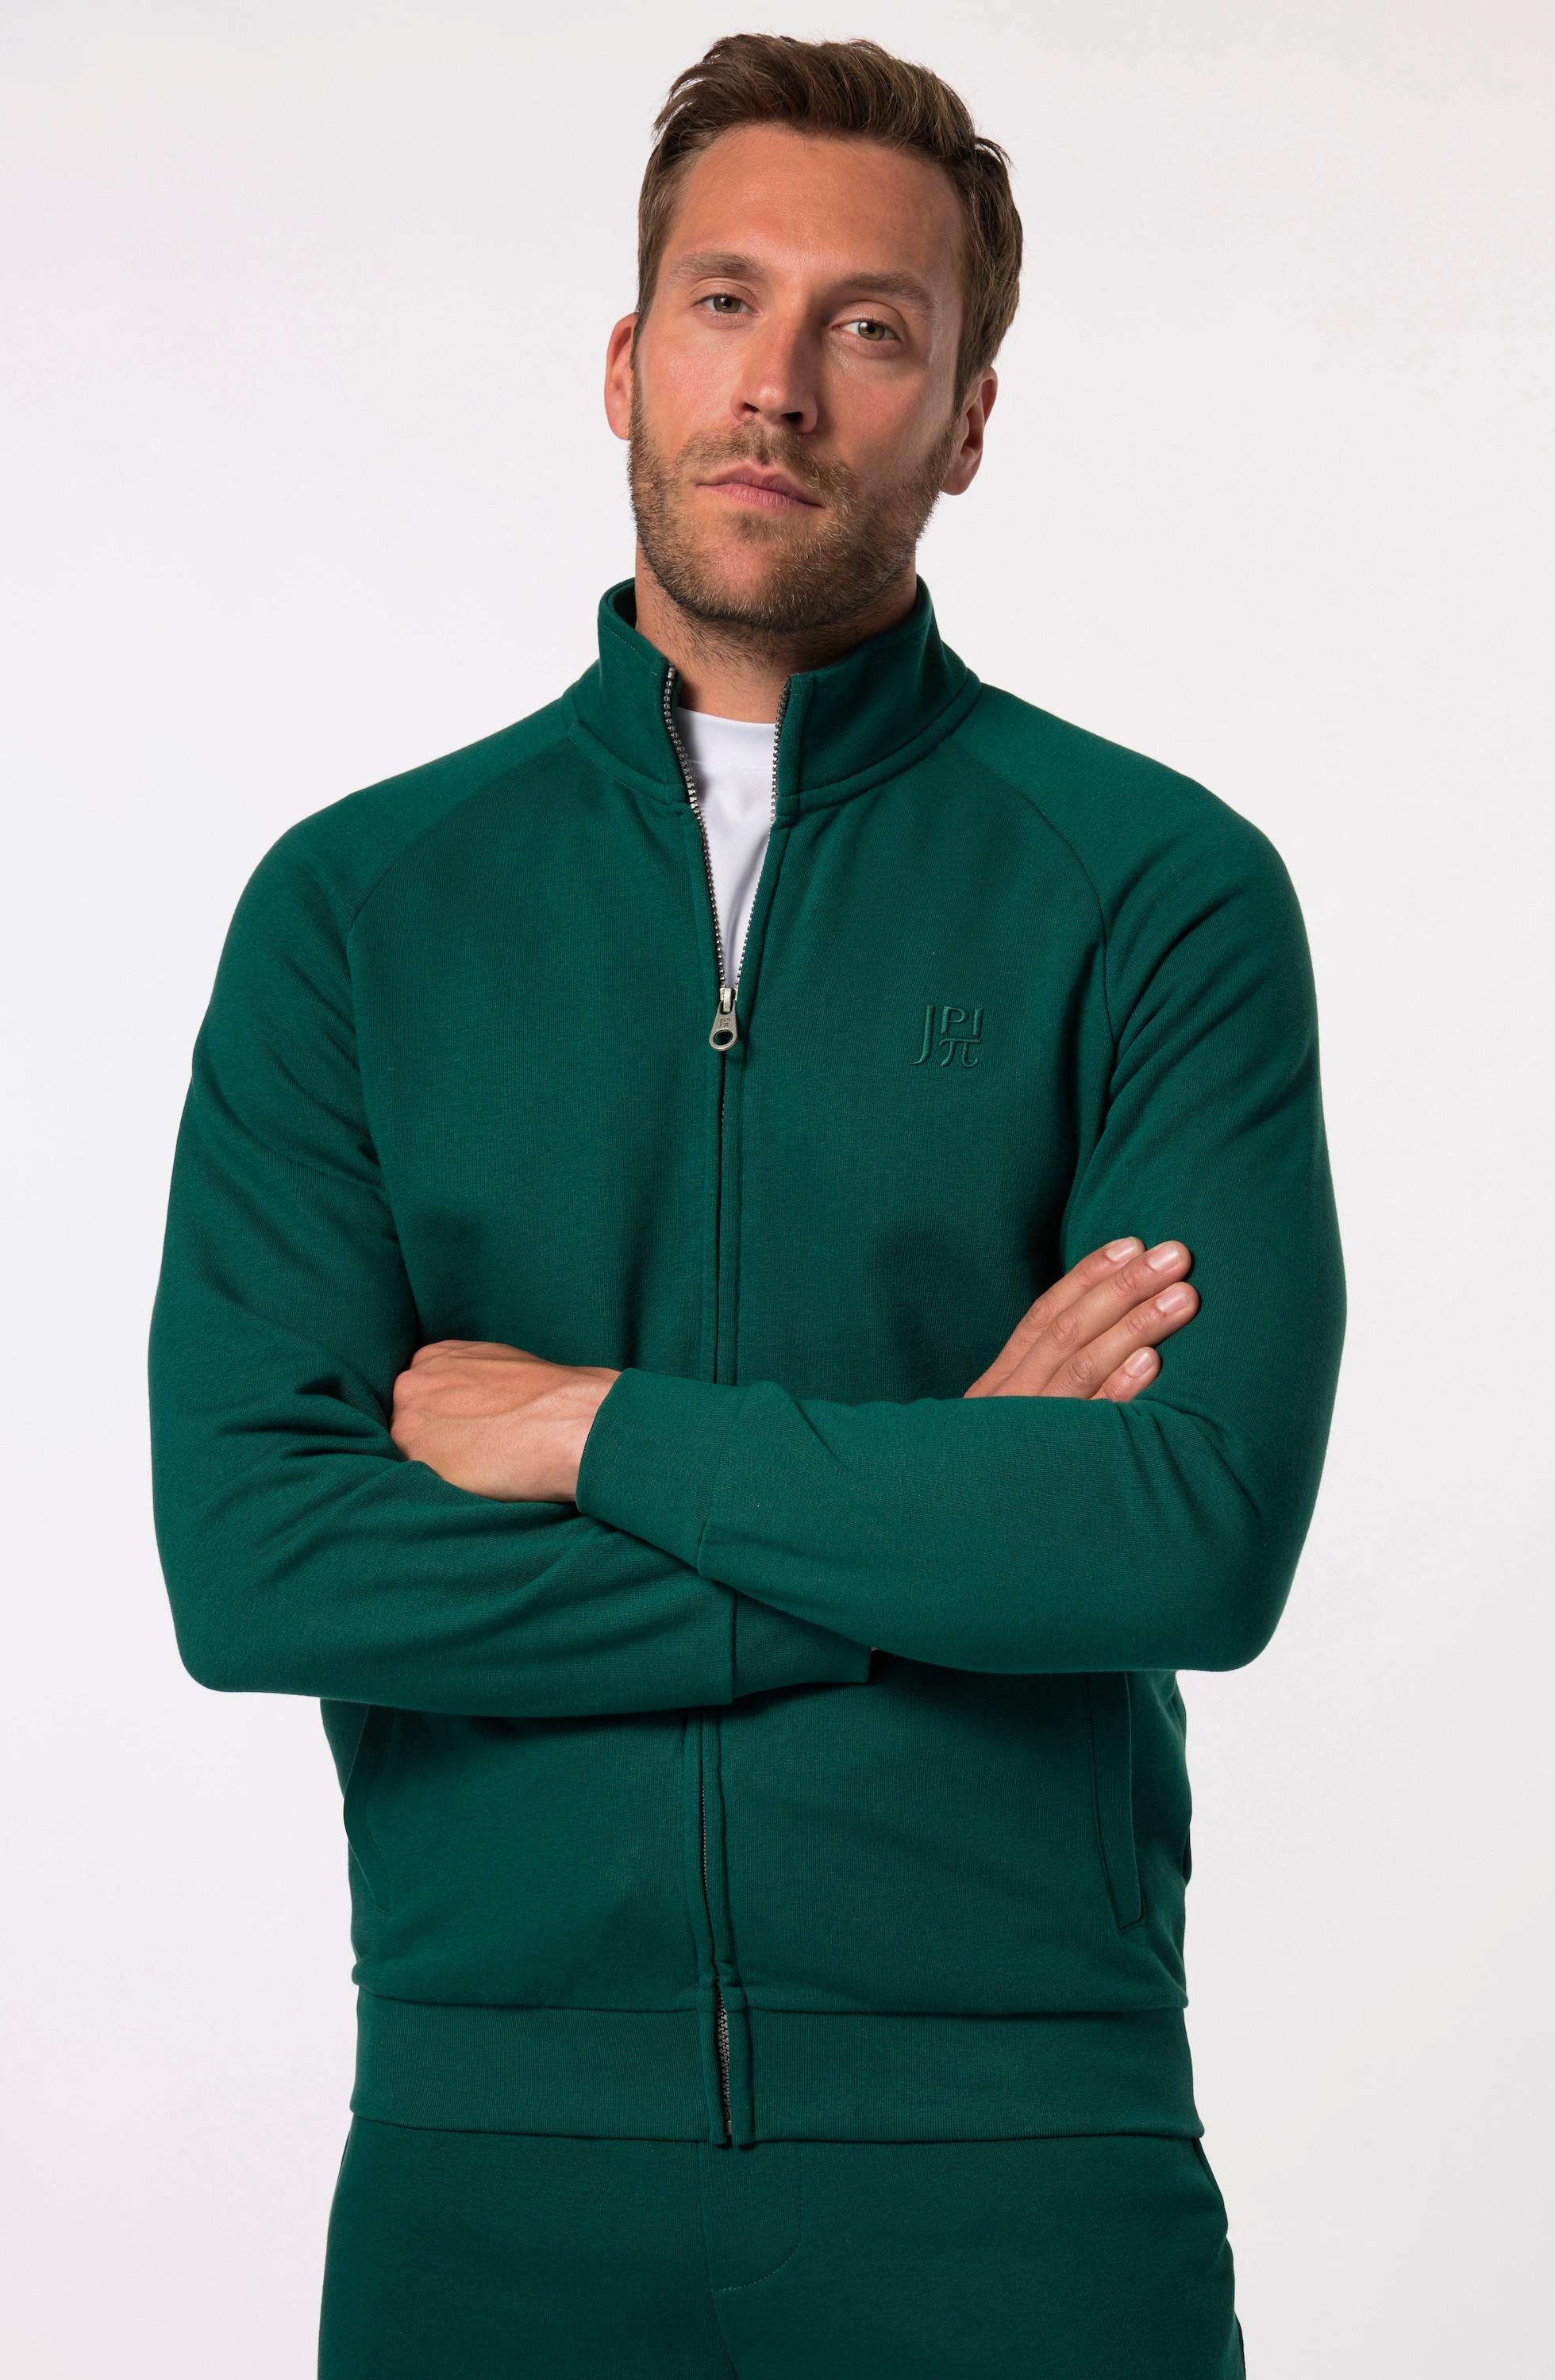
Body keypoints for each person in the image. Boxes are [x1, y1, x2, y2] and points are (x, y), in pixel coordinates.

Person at [148, 31, 1345, 2378]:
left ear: (968, 420)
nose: (779, 383)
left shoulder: (1156, 893)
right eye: (726, 301)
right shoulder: (359, 912)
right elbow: (260, 1560)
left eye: (869, 327)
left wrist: (589, 1427)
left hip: (1026, 2181)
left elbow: (1185, 1537)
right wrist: (944, 1510)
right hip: (489, 2182)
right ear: (626, 362)